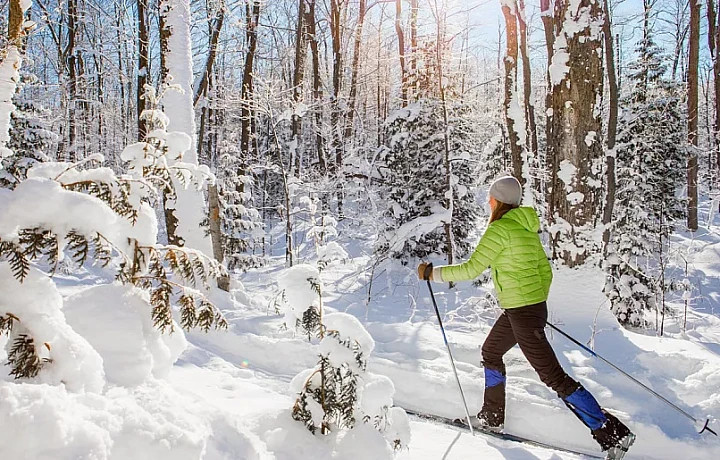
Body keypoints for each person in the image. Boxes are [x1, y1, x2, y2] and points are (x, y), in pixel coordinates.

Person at [417, 176, 635, 459]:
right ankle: (492, 418)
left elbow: (472, 269)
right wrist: (533, 303)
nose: (488, 201)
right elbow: (546, 272)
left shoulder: (500, 229)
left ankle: (613, 434)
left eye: (490, 197)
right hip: (523, 310)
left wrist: (431, 274)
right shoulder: (525, 228)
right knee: (491, 351)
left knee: (553, 377)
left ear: (497, 201)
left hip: (522, 312)